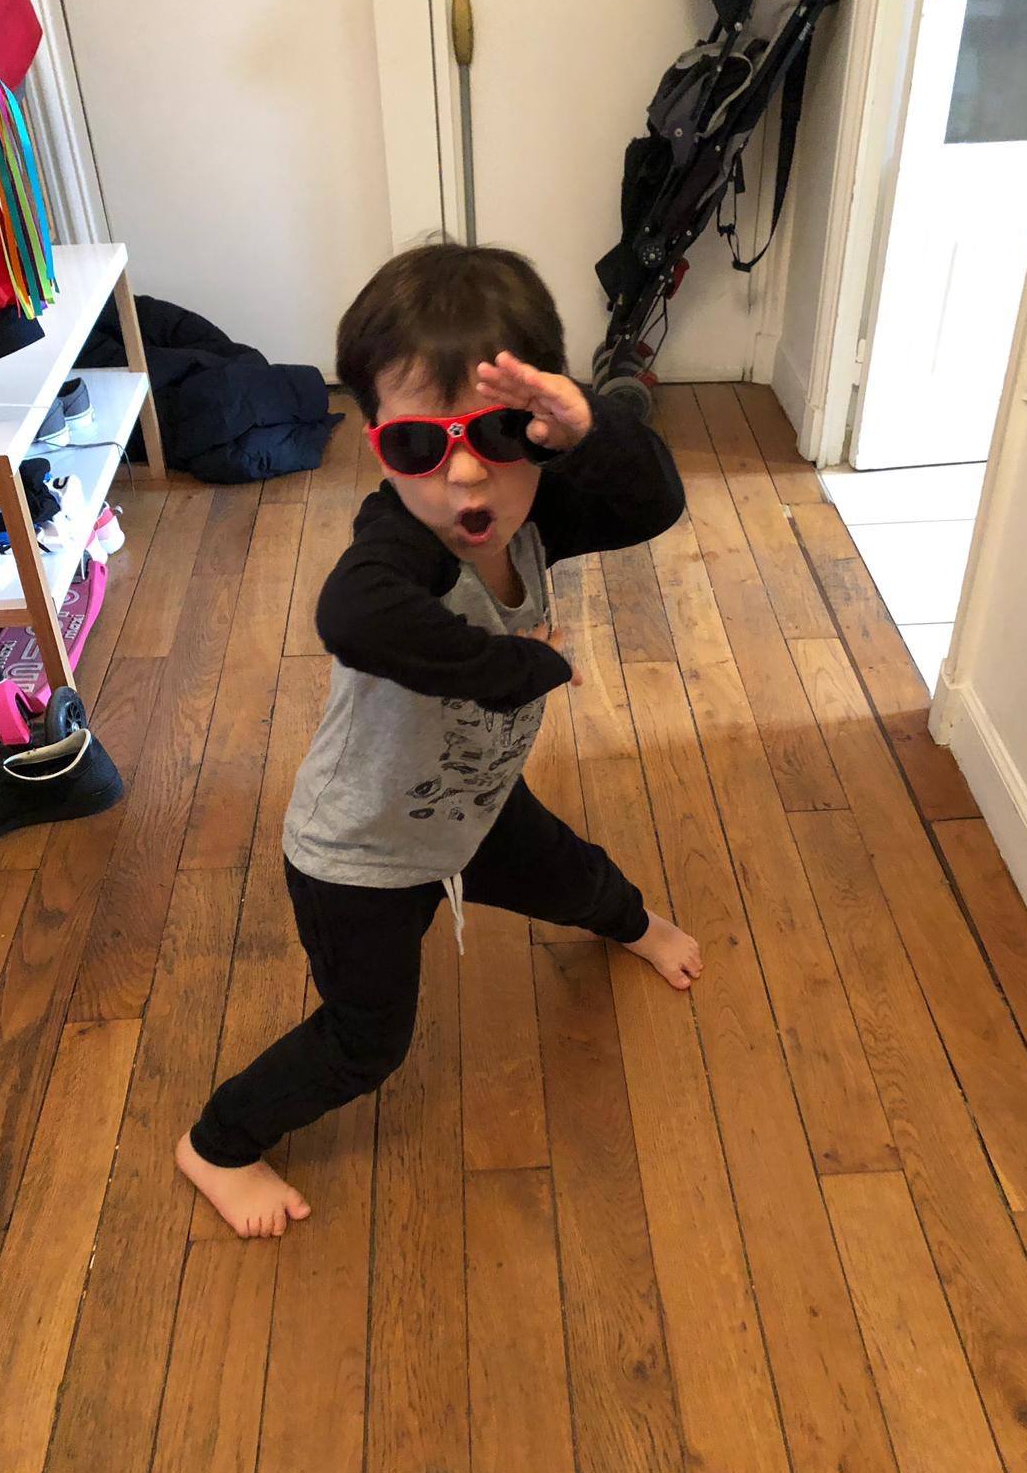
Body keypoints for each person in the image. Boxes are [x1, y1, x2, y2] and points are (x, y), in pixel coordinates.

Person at [176, 243, 703, 1238]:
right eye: (420, 444)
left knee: (573, 873)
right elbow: (354, 614)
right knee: (366, 1043)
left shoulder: (533, 505)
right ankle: (216, 1143)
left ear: (541, 430)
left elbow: (653, 499)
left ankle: (631, 923)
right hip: (362, 855)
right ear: (380, 448)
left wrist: (589, 427)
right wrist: (518, 669)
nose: (463, 469)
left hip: (471, 801)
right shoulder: (405, 544)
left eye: (499, 430)